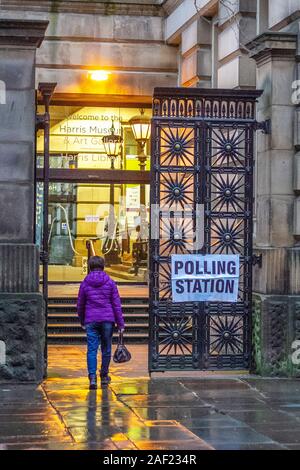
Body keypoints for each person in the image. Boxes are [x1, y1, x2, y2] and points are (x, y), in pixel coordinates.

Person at [77, 255, 125, 389]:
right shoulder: (110, 282)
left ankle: (92, 378)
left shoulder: (85, 283)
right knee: (106, 348)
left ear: (90, 267)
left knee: (92, 349)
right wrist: (120, 323)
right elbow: (116, 305)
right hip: (107, 320)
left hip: (91, 320)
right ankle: (104, 375)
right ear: (103, 266)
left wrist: (82, 320)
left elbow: (80, 304)